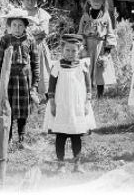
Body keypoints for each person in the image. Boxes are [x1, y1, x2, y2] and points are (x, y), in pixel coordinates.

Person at [44, 33, 96, 168]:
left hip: (77, 106)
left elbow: (88, 86)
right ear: (62, 50)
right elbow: (51, 86)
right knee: (60, 135)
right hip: (61, 105)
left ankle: (77, 164)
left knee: (76, 135)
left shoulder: (82, 66)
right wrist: (52, 103)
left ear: (79, 51)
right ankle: (60, 164)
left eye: (74, 50)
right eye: (67, 50)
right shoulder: (57, 66)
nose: (70, 53)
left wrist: (86, 103)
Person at [0, 8, 44, 146]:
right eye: (14, 25)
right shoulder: (5, 40)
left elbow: (35, 63)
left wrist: (34, 85)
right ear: (9, 26)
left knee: (23, 110)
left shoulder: (30, 40)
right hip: (8, 80)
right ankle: (7, 139)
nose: (17, 28)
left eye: (20, 25)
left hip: (24, 80)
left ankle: (21, 138)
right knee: (7, 108)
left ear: (25, 26)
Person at [78, 0, 118, 98]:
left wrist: (107, 51)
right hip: (88, 47)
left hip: (100, 46)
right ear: (89, 1)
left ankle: (100, 94)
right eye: (93, 0)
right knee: (87, 68)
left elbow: (110, 32)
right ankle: (87, 92)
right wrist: (82, 46)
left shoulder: (106, 17)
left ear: (103, 1)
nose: (96, 2)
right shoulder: (85, 17)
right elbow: (81, 33)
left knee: (100, 69)